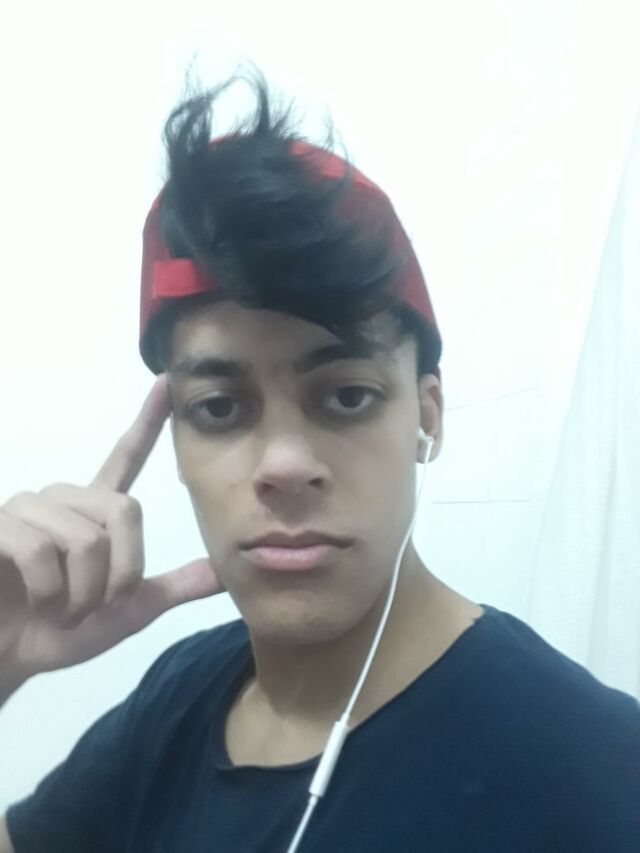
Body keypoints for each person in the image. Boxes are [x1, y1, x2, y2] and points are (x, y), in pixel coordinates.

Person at [1, 70, 639, 853]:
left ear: (427, 415)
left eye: (345, 396)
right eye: (220, 408)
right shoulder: (183, 695)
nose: (284, 464)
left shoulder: (596, 774)